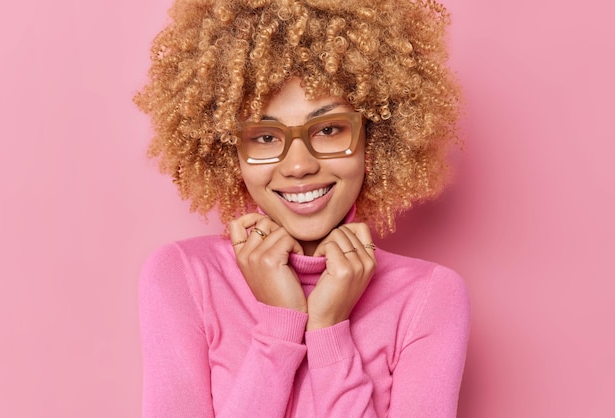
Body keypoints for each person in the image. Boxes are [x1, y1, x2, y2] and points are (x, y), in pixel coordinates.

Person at [135, 0, 469, 416]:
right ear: (228, 149)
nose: (298, 166)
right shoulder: (182, 277)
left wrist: (329, 331)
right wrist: (280, 326)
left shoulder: (430, 297)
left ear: (375, 138)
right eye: (264, 136)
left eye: (329, 129)